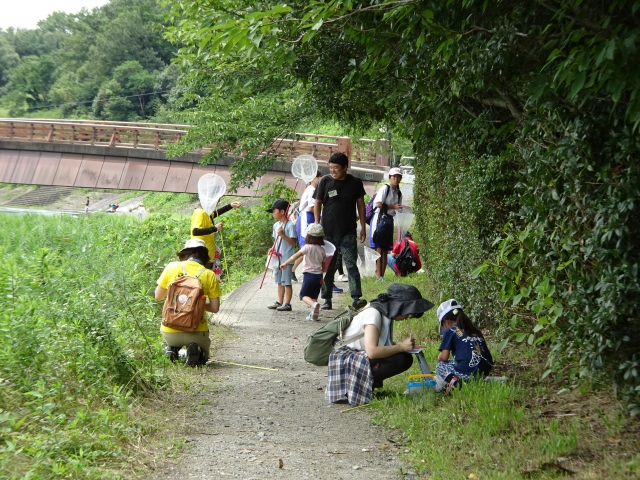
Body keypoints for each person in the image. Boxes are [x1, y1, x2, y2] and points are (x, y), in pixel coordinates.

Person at [325, 284, 434, 405]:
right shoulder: (374, 315)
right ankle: (361, 387)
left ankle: (367, 386)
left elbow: (379, 342)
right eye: (407, 312)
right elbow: (372, 352)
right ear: (398, 307)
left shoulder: (382, 310)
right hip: (346, 359)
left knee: (403, 356)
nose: (407, 317)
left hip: (356, 354)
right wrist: (401, 347)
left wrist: (405, 347)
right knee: (402, 359)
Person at [313, 152, 368, 310]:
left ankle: (356, 297)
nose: (332, 171)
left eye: (336, 168)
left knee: (351, 264)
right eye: (330, 167)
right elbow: (317, 203)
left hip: (348, 231)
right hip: (328, 231)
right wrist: (317, 224)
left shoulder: (355, 182)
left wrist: (363, 227)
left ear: (345, 167)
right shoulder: (325, 181)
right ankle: (327, 298)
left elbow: (361, 205)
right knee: (329, 266)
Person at [154, 239, 221, 366]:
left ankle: (172, 348)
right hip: (197, 332)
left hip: (170, 331)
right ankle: (196, 352)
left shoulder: (172, 267)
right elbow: (214, 308)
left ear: (185, 254)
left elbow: (158, 296)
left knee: (172, 339)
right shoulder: (209, 275)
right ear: (204, 256)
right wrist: (197, 305)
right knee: (204, 356)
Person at [436, 299, 494, 394]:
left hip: (468, 371)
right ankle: (472, 379)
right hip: (485, 369)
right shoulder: (475, 330)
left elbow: (444, 357)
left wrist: (439, 358)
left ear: (446, 322)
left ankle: (455, 382)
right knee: (454, 361)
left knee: (440, 366)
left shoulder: (450, 330)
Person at [280, 223, 326, 321]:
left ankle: (314, 305)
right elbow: (323, 265)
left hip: (309, 275)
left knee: (304, 295)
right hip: (319, 276)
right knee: (313, 296)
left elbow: (296, 255)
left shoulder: (307, 247)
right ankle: (314, 315)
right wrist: (322, 274)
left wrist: (286, 263)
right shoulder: (322, 250)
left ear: (308, 236)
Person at [369, 167, 403, 282]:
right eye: (394, 176)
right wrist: (393, 207)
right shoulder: (385, 188)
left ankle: (382, 275)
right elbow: (378, 204)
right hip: (380, 219)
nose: (396, 179)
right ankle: (378, 275)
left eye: (398, 177)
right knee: (378, 248)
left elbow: (398, 208)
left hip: (389, 220)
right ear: (390, 177)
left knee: (385, 249)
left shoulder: (398, 192)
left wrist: (399, 209)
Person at [266, 199, 297, 311]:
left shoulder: (290, 226)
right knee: (279, 280)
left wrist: (283, 235)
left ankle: (287, 303)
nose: (273, 213)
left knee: (286, 281)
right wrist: (272, 248)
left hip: (286, 258)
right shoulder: (276, 226)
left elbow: (293, 242)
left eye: (274, 211)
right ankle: (279, 301)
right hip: (277, 258)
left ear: (282, 212)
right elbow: (276, 241)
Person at [190, 201, 241, 268]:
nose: (217, 203)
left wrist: (230, 205)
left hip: (208, 254)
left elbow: (215, 213)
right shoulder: (200, 212)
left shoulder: (206, 212)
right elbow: (195, 231)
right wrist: (214, 228)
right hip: (202, 255)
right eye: (216, 201)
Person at [293, 170, 323, 281]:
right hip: (307, 218)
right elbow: (311, 208)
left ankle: (294, 270)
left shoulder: (310, 189)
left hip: (306, 218)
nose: (320, 179)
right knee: (307, 247)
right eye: (319, 177)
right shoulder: (312, 191)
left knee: (307, 247)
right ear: (314, 178)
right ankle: (293, 270)